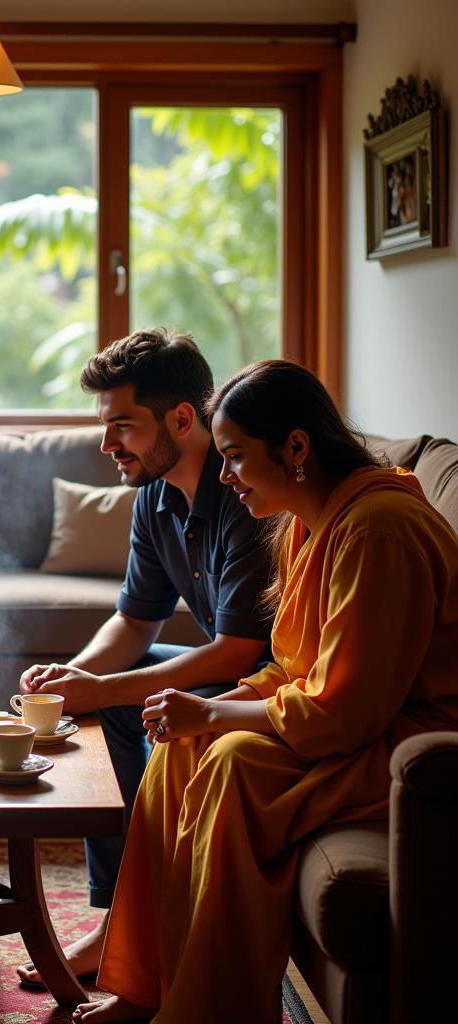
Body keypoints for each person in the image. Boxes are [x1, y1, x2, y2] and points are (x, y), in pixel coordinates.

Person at [76, 360, 458, 1023]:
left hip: (408, 737)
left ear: (297, 448)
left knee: (228, 762)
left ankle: (206, 1009)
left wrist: (219, 714)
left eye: (237, 458)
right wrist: (206, 712)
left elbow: (346, 710)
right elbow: (292, 665)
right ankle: (145, 985)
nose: (227, 477)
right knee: (178, 748)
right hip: (344, 716)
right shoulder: (312, 521)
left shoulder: (378, 529)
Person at [16, 327, 273, 987]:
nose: (106, 445)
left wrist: (104, 690)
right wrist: (77, 675)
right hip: (224, 667)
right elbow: (134, 622)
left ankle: (143, 926)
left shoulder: (247, 493)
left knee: (124, 701)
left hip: (265, 686)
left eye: (122, 426)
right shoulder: (156, 496)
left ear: (183, 419)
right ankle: (116, 918)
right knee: (105, 698)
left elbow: (238, 653)